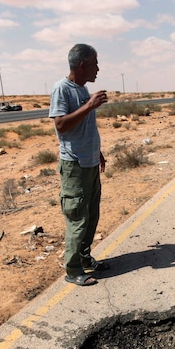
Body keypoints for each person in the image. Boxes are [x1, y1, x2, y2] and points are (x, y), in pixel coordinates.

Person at [49, 44, 109, 287]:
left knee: (91, 215)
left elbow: (86, 128)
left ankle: (85, 259)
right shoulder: (62, 89)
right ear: (82, 65)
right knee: (77, 218)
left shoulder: (83, 90)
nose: (98, 68)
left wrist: (99, 152)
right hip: (74, 166)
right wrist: (89, 106)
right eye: (95, 63)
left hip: (90, 162)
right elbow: (61, 125)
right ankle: (73, 270)